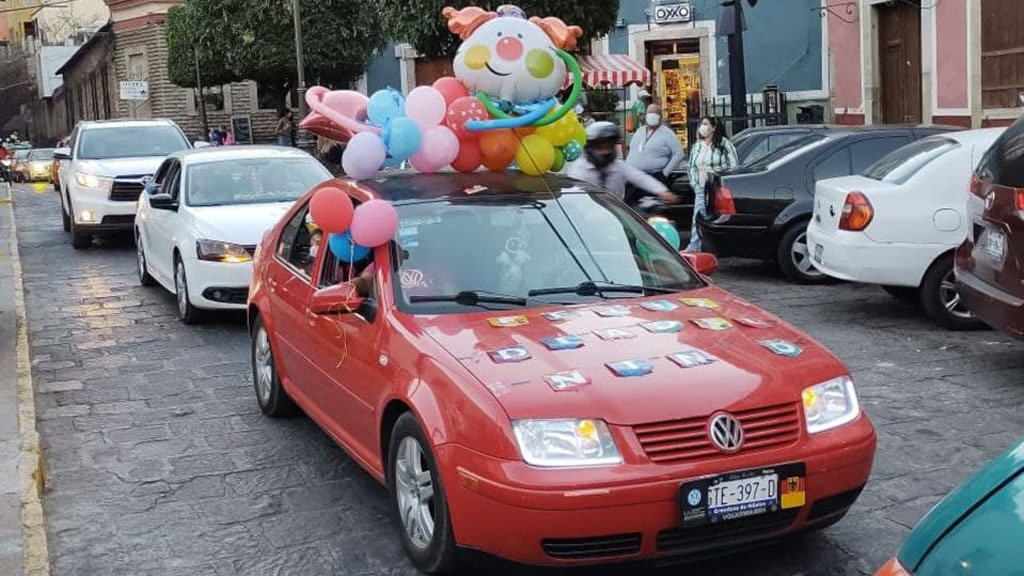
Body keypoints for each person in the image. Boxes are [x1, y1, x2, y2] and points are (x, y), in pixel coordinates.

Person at [567, 121, 677, 204]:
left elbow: (639, 177)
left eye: (609, 146)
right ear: (590, 147)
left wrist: (662, 191)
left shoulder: (617, 166)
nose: (606, 151)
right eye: (601, 147)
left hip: (616, 215)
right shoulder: (580, 169)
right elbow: (574, 198)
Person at [686, 116, 738, 252]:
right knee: (697, 216)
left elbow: (734, 165)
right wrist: (694, 183)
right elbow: (691, 166)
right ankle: (694, 247)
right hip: (701, 188)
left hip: (716, 188)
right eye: (701, 124)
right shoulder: (697, 146)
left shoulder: (724, 144)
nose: (702, 127)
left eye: (705, 124)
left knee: (716, 218)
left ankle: (717, 247)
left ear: (713, 127)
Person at [626, 104, 686, 180]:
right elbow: (632, 149)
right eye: (650, 112)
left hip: (652, 178)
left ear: (660, 116)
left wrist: (665, 173)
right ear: (645, 115)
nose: (652, 115)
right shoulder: (639, 131)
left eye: (655, 113)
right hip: (632, 177)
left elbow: (679, 153)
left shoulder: (667, 133)